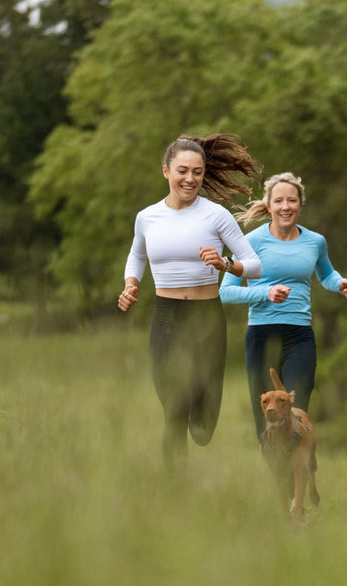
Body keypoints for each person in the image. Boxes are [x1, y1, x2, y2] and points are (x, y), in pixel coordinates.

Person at [118, 133, 264, 465]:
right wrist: (130, 285)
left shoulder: (216, 216)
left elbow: (254, 266)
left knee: (201, 428)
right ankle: (174, 492)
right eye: (183, 171)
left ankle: (202, 419)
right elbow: (136, 256)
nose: (191, 179)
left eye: (197, 172)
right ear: (166, 171)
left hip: (206, 318)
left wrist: (225, 263)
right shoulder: (147, 217)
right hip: (167, 316)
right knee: (173, 407)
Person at [219, 172, 347, 442]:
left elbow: (327, 275)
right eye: (279, 201)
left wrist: (341, 284)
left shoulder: (315, 241)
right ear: (269, 206)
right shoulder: (250, 242)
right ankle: (276, 476)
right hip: (261, 335)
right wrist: (265, 293)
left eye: (292, 201)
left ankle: (299, 475)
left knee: (297, 413)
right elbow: (225, 292)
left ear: (300, 205)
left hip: (299, 336)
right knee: (266, 417)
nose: (286, 207)